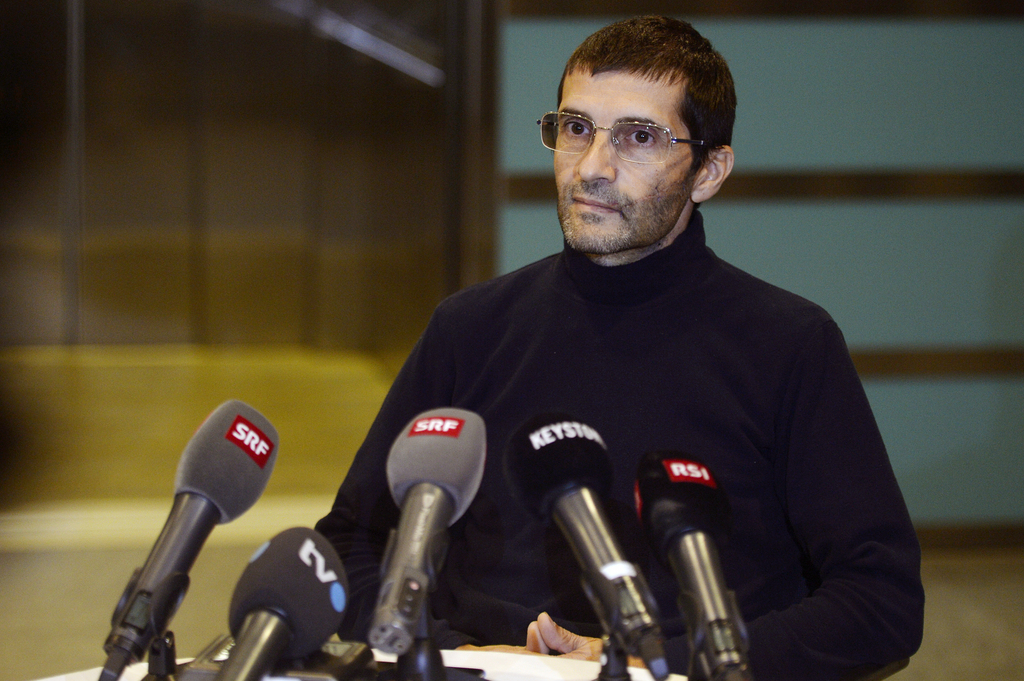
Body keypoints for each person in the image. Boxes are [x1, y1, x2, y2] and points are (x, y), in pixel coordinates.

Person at [316, 15, 924, 680]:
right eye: (576, 128)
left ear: (709, 170)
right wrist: (454, 651)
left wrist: (653, 663)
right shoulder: (469, 328)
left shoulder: (790, 344)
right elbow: (350, 541)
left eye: (638, 137)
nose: (593, 167)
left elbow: (880, 601)